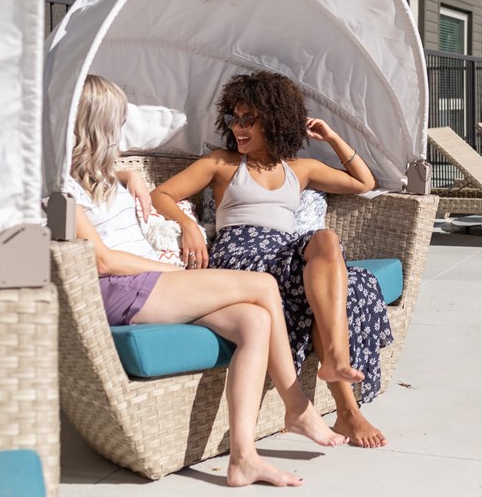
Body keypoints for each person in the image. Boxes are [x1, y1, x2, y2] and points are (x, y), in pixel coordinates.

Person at [68, 75, 346, 488]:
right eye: (117, 120)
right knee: (263, 286)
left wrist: (131, 177)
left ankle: (243, 458)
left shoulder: (103, 173)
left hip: (146, 285)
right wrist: (174, 271)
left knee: (255, 321)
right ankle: (297, 405)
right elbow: (102, 261)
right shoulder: (61, 188)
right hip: (123, 288)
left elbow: (120, 186)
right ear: (98, 126)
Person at [151, 71, 393, 449]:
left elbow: (364, 183)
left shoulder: (299, 169)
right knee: (327, 275)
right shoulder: (222, 163)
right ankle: (345, 396)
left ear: (276, 120)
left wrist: (331, 136)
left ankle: (342, 392)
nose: (240, 129)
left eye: (250, 120)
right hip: (242, 255)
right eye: (234, 119)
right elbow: (161, 195)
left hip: (285, 252)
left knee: (337, 259)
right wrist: (189, 225)